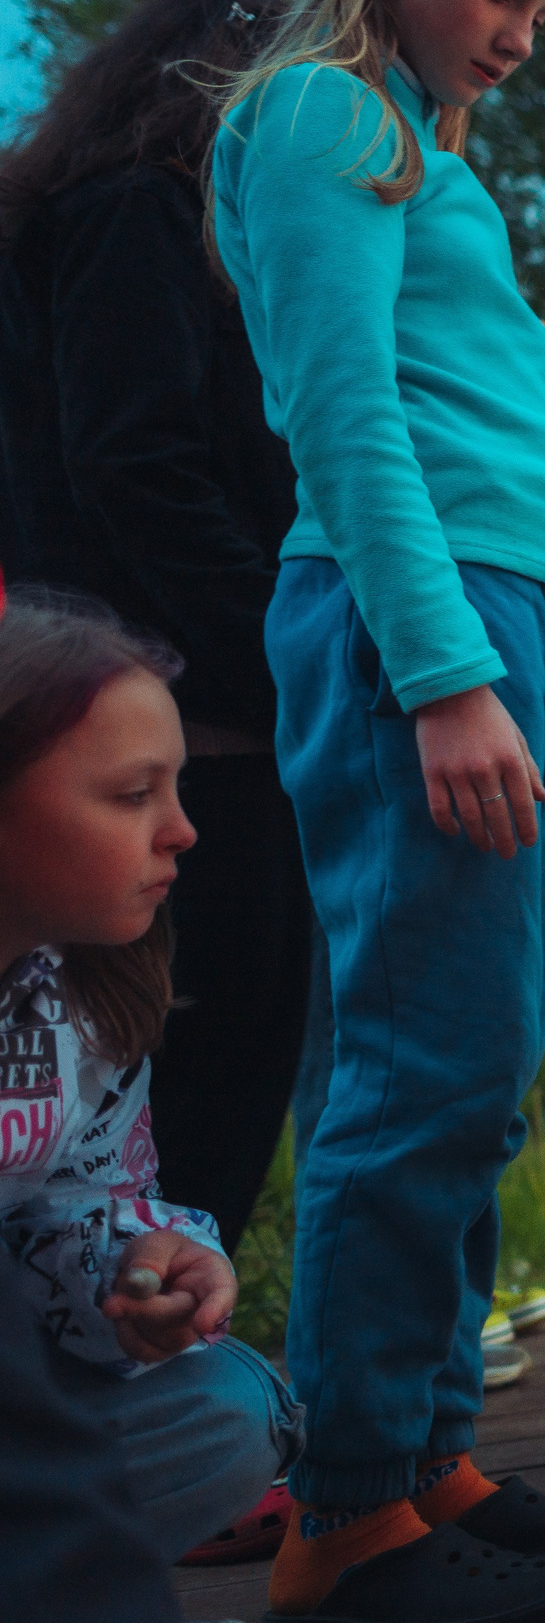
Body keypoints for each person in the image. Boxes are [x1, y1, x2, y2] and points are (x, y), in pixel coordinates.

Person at [206, 0, 545, 1616]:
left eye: (543, 6)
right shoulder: (324, 114)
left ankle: (420, 1454)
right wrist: (448, 674)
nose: (523, 33)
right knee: (415, 1069)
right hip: (430, 628)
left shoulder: (412, 144)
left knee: (478, 1064)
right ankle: (342, 1525)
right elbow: (340, 413)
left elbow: (431, 385)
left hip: (504, 619)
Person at [0, 0, 309, 1258]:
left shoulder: (87, 216)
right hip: (186, 722)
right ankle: (146, 1383)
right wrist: (284, 657)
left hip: (146, 707)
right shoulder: (141, 214)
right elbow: (142, 466)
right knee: (207, 1074)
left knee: (146, 1095)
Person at [0, 590, 305, 1574]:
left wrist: (139, 1269)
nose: (182, 831)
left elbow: (74, 1199)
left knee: (232, 1410)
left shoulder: (79, 995)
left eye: (175, 790)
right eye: (134, 795)